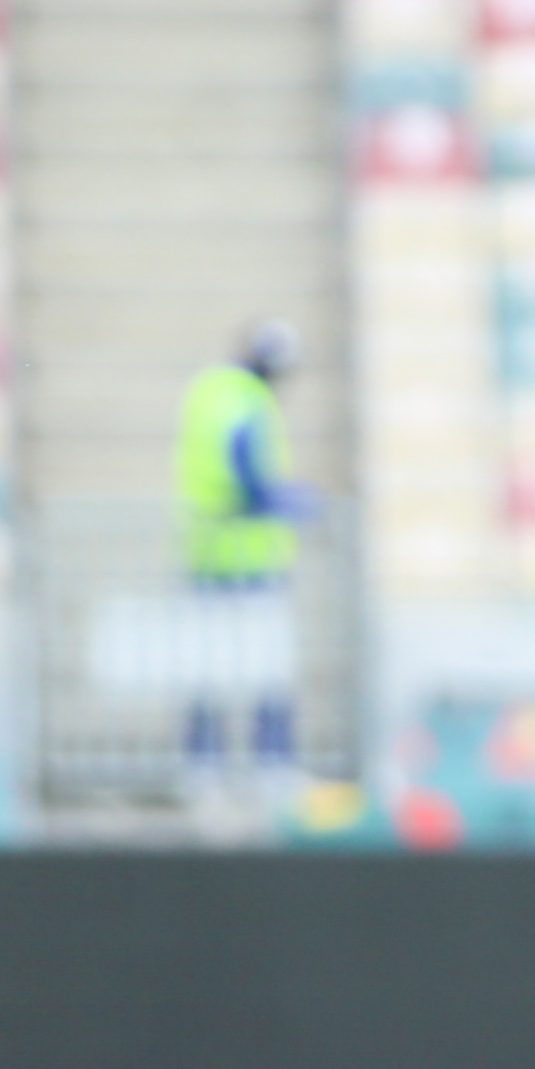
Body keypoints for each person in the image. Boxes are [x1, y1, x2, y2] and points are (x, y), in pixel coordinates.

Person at [175, 320, 310, 763]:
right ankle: (271, 766)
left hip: (203, 555)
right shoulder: (248, 399)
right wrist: (291, 503)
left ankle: (203, 765)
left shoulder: (207, 390)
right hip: (249, 562)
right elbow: (248, 475)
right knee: (267, 672)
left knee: (204, 674)